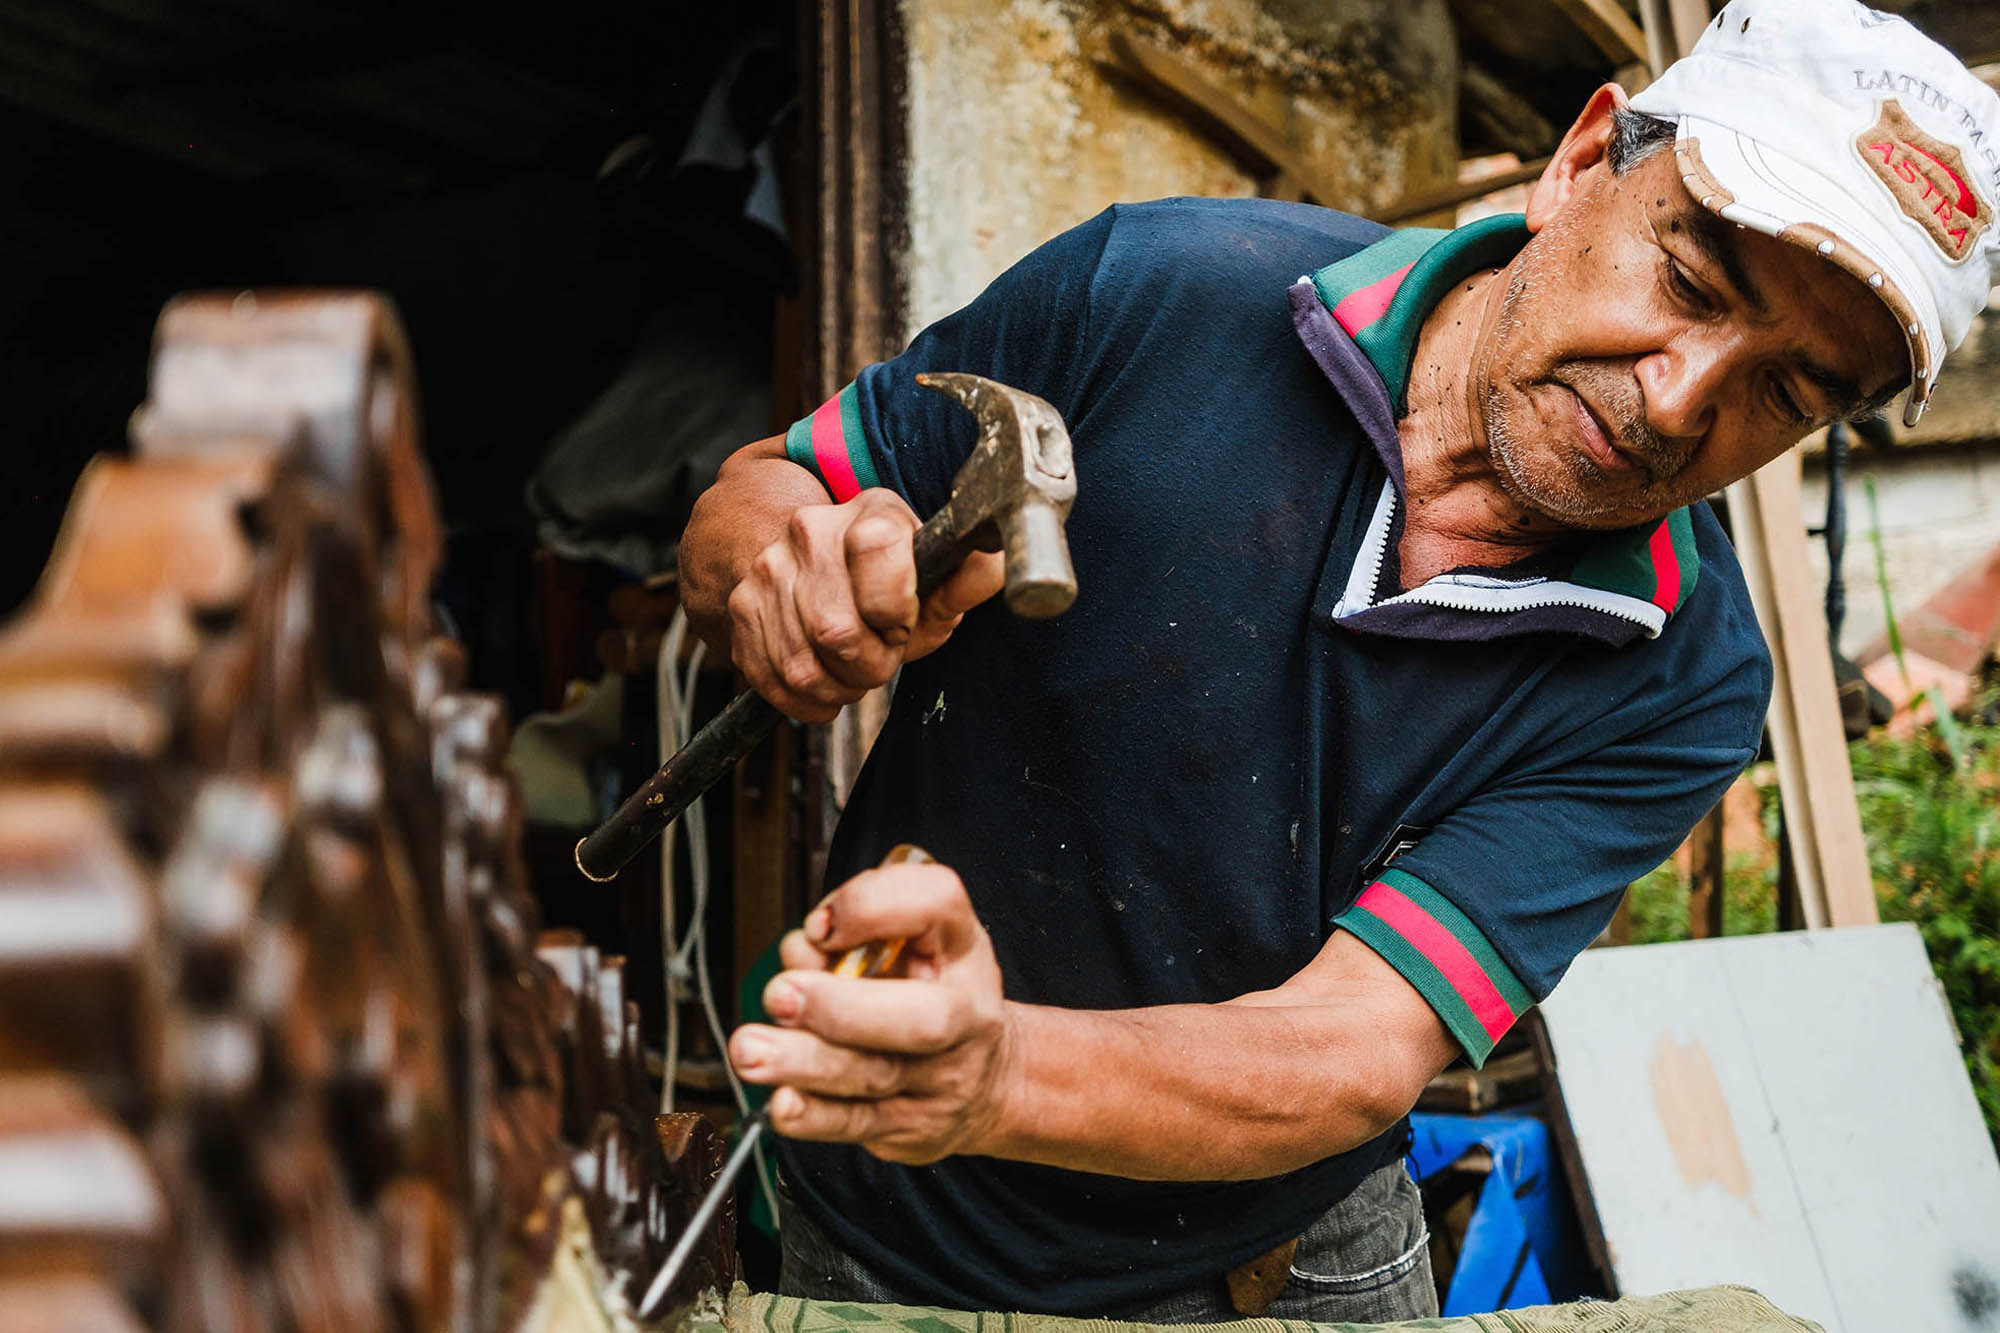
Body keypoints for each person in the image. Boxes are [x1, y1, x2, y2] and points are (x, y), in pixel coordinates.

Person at [681, 0, 2000, 1321]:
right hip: (901, 1215)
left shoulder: (1686, 676)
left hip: (1289, 1253)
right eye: (1694, 284)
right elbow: (765, 493)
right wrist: (786, 564)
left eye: (1785, 393)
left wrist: (995, 1072)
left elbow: (1356, 1043)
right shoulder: (1158, 289)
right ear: (1582, 159)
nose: (1677, 400)